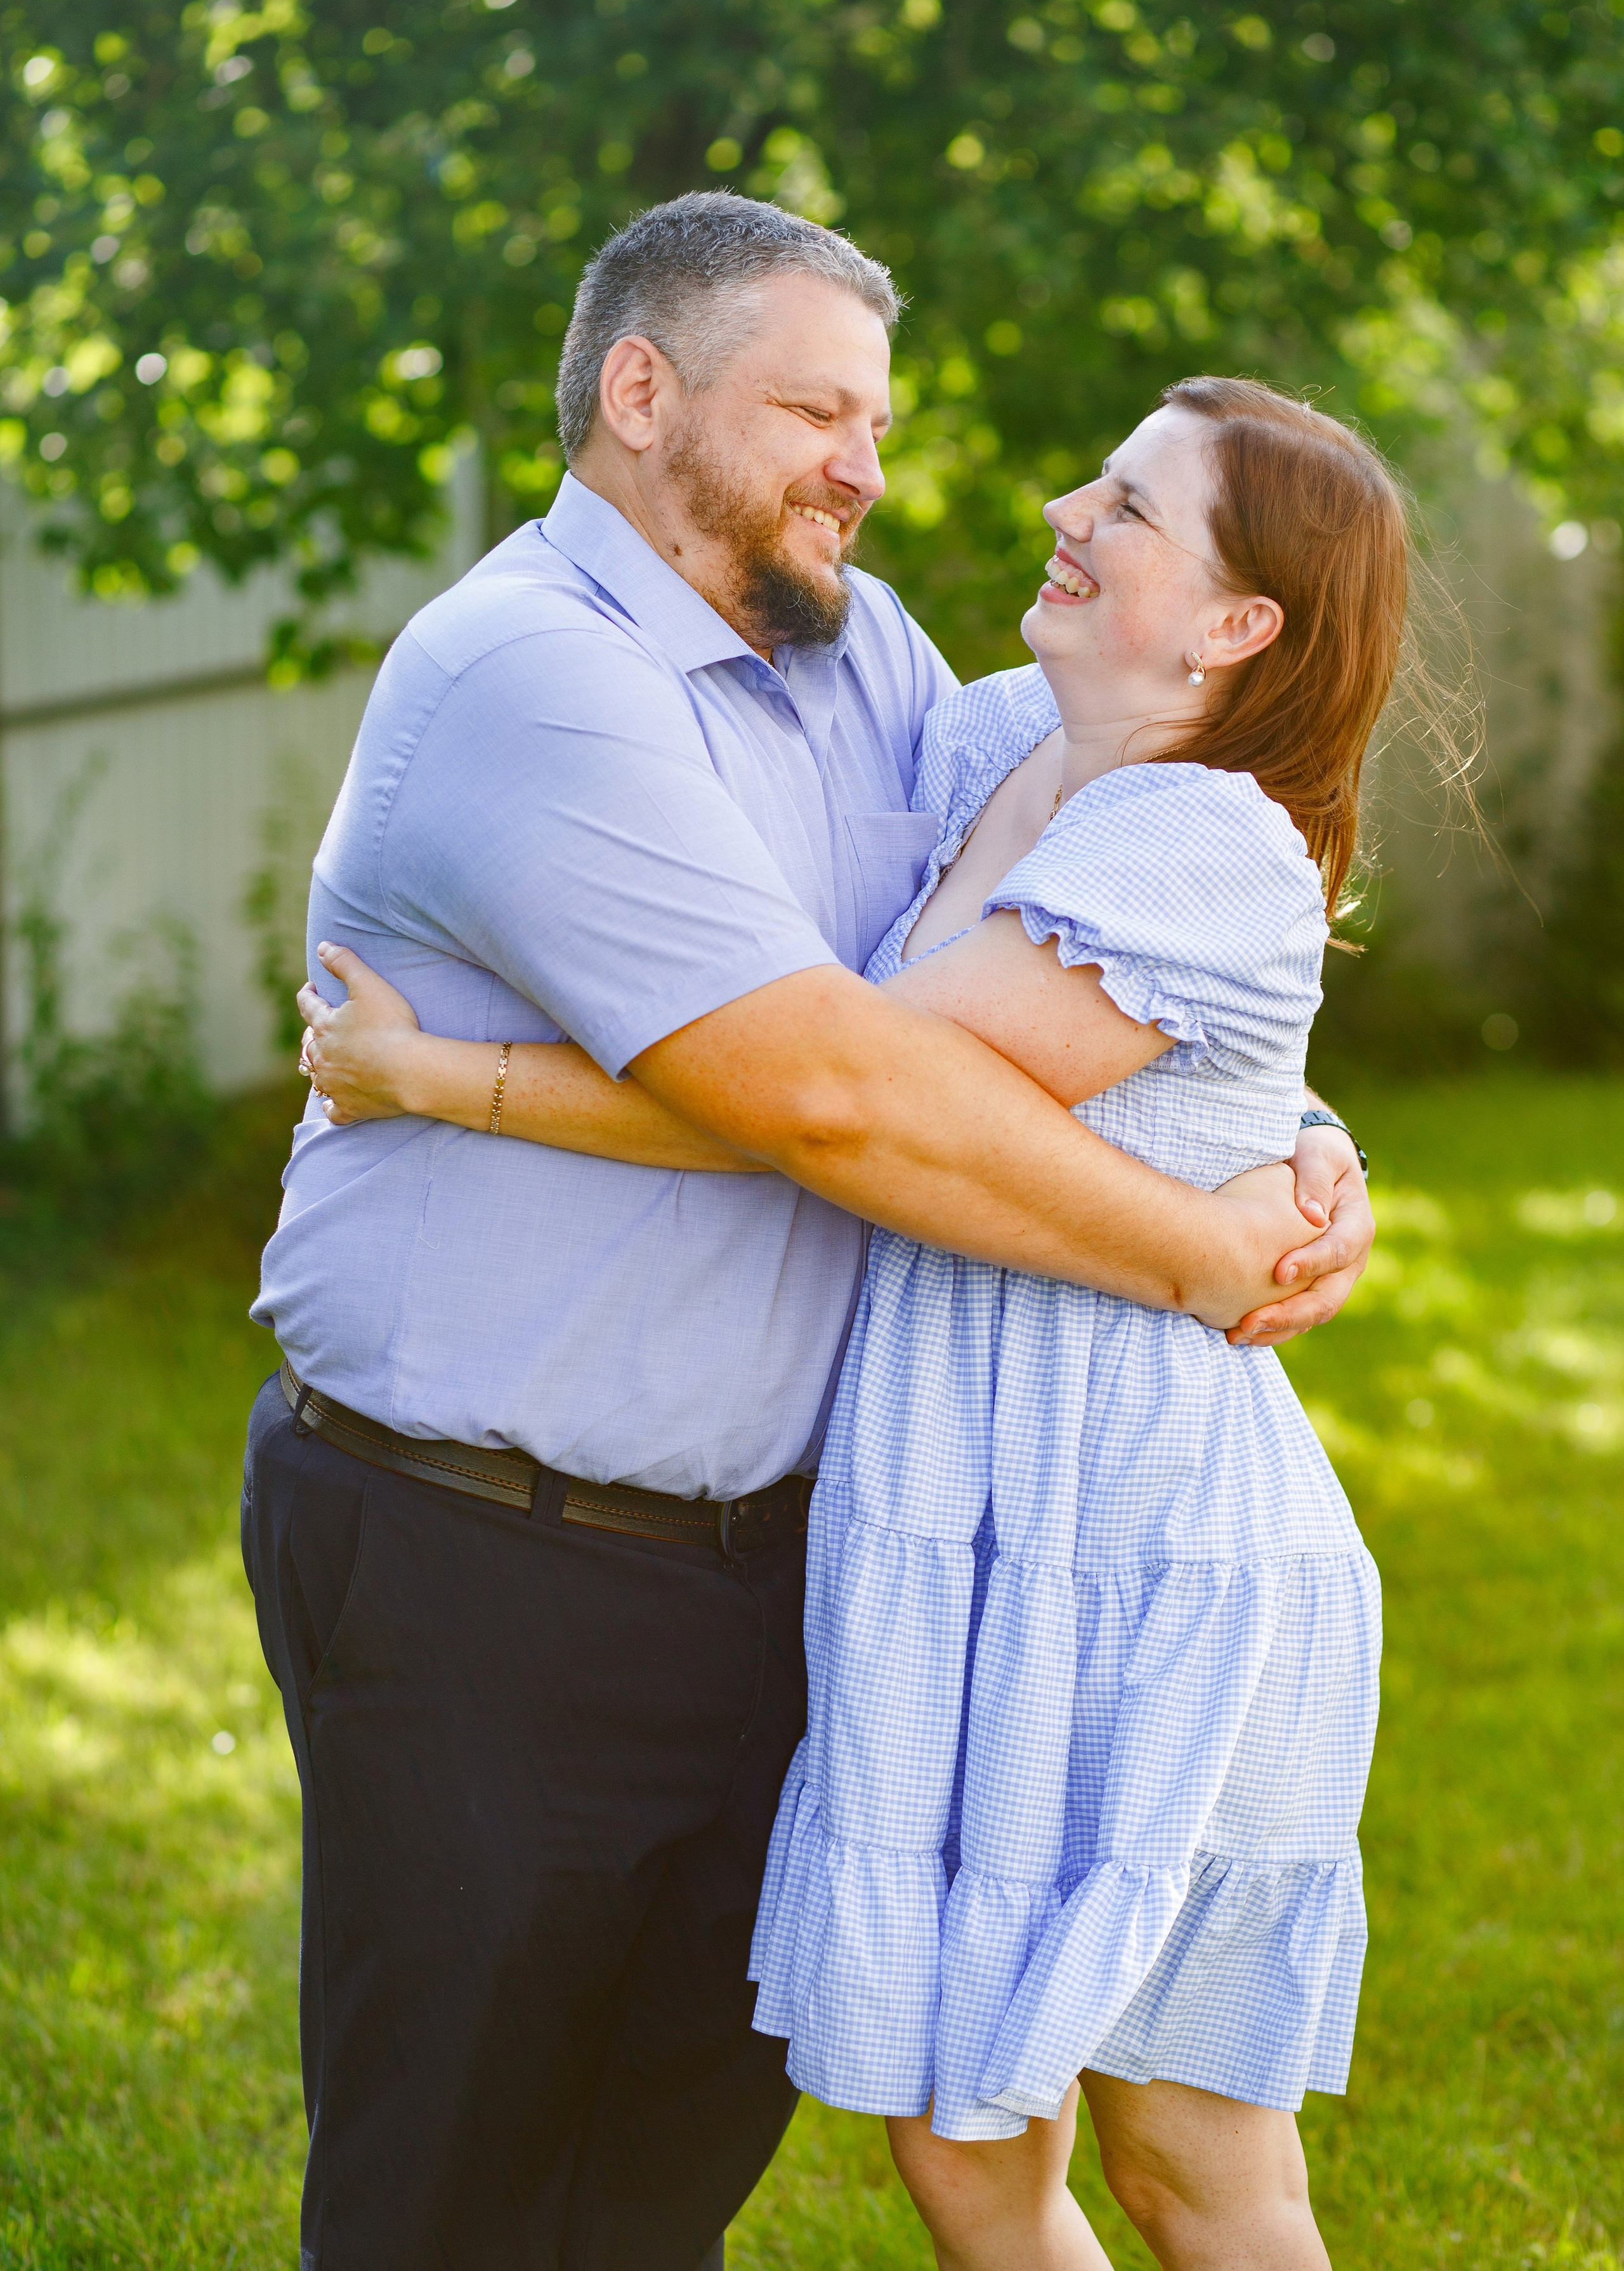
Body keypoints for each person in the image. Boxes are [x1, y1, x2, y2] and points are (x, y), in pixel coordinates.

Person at [254, 191, 1372, 2271]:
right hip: (484, 1550)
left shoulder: (860, 667)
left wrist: (1298, 1142)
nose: (872, 463)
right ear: (642, 390)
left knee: (653, 2177)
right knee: (460, 2191)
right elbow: (834, 1089)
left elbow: (1075, 971)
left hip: (797, 1569)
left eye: (876, 415)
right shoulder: (531, 677)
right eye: (818, 409)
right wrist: (1206, 1249)